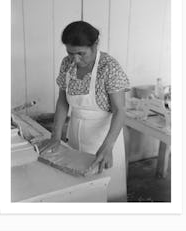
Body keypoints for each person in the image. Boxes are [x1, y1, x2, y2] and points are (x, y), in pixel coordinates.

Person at [47, 21, 130, 202]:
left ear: (95, 44)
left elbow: (120, 110)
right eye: (70, 53)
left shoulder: (109, 67)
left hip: (104, 137)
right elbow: (63, 102)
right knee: (79, 191)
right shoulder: (67, 64)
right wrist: (55, 136)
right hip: (75, 133)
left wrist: (107, 147)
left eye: (81, 54)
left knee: (105, 191)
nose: (75, 59)